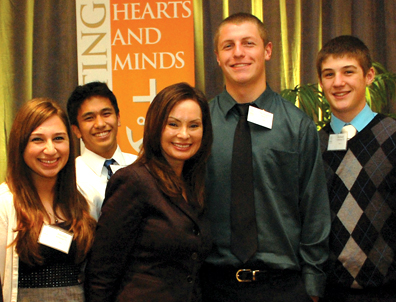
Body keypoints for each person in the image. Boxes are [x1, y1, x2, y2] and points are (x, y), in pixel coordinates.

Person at [201, 12, 331, 302]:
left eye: (248, 43)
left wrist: (312, 286)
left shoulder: (297, 126)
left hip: (283, 287)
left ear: (267, 50)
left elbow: (315, 210)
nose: (238, 53)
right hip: (214, 287)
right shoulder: (199, 125)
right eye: (228, 46)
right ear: (217, 57)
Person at [84, 82, 213, 302]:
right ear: (155, 126)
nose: (184, 135)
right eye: (173, 124)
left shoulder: (195, 185)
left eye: (194, 125)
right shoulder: (133, 181)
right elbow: (102, 271)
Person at [317, 35, 396, 301]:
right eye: (329, 74)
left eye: (348, 72)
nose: (338, 82)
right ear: (320, 83)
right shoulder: (313, 146)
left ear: (369, 75)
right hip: (331, 292)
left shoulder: (393, 136)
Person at [0, 98, 96, 302]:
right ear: (20, 144)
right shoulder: (5, 203)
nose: (51, 150)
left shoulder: (81, 200)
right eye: (38, 140)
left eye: (59, 138)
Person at [67, 82, 137, 220]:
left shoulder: (143, 166)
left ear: (118, 118)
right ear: (76, 130)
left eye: (106, 114)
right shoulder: (70, 178)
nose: (100, 124)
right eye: (89, 118)